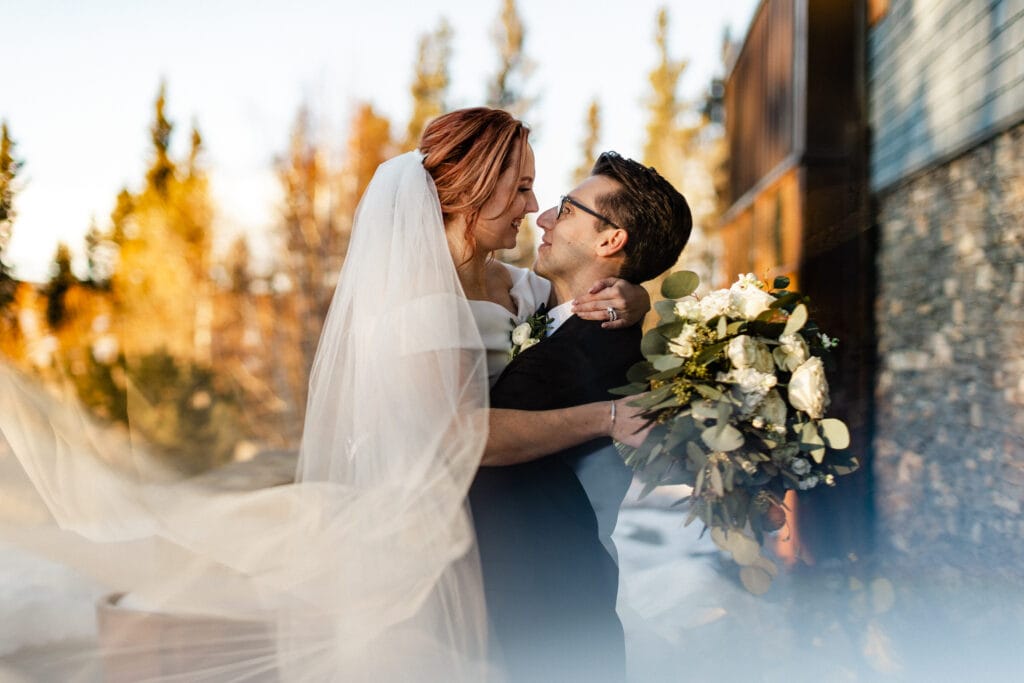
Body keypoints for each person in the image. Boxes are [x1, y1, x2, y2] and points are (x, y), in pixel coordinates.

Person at [0, 107, 652, 682]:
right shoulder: (425, 303)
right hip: (436, 539)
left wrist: (635, 292)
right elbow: (459, 435)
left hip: (505, 526)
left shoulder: (514, 285)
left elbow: (569, 309)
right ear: (475, 190)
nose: (531, 206)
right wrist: (606, 416)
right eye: (521, 187)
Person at [469, 152, 692, 682]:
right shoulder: (562, 318)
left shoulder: (595, 347)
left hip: (546, 618)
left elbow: (468, 438)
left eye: (567, 210)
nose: (543, 216)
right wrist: (639, 298)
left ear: (610, 240)